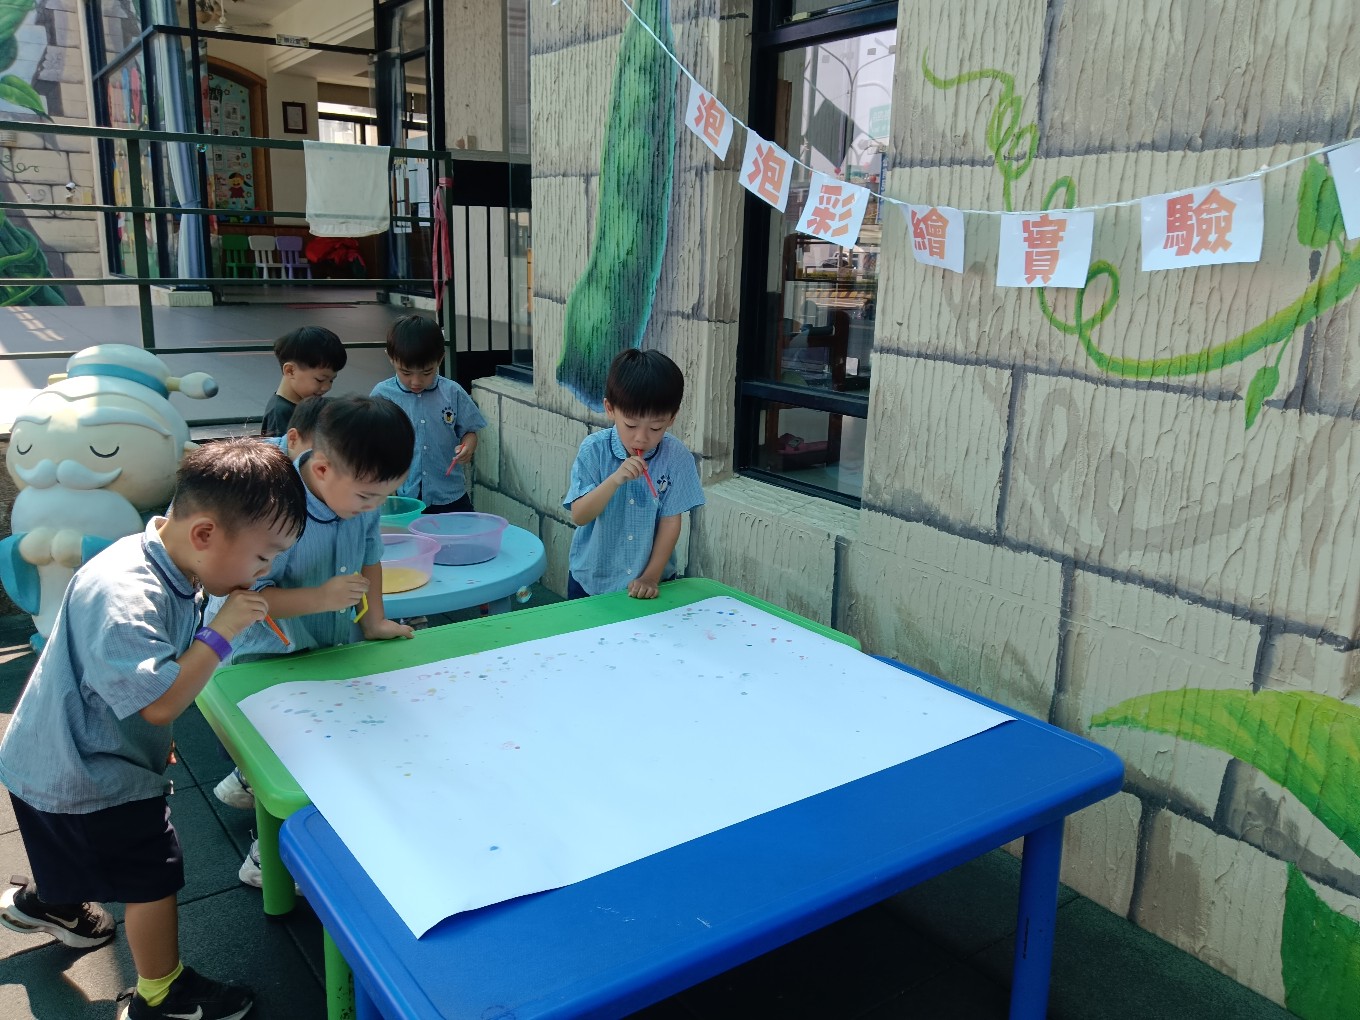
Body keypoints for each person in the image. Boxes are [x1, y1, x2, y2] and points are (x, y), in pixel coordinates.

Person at [0, 439, 307, 1020]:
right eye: (263, 557)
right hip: (88, 773)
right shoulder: (127, 596)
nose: (265, 573)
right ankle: (162, 995)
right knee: (152, 876)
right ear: (205, 533)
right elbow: (161, 703)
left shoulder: (161, 556)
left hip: (51, 753)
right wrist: (223, 631)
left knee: (65, 842)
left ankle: (49, 903)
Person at [210, 396, 416, 885]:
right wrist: (321, 597)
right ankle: (267, 860)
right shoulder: (272, 506)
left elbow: (370, 558)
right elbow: (244, 599)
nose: (374, 507)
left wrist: (374, 621)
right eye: (367, 497)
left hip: (327, 644)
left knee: (333, 736)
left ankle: (246, 779)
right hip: (267, 654)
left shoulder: (359, 496)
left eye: (384, 496)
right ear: (321, 469)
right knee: (308, 755)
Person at [564, 349, 705, 599]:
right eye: (630, 425)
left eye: (656, 427)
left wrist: (651, 576)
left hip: (653, 581)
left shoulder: (676, 457)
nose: (641, 437)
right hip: (592, 580)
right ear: (609, 408)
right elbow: (580, 515)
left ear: (672, 418)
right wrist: (614, 480)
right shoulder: (594, 450)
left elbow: (671, 522)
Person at [370, 314, 486, 514]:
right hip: (403, 495)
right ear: (391, 357)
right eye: (406, 372)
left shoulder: (452, 392)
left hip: (449, 494)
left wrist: (468, 447)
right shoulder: (382, 395)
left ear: (440, 359)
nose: (416, 381)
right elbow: (370, 443)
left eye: (426, 372)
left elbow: (469, 431)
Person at [260, 325, 347, 437]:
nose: (327, 387)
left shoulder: (306, 403)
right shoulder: (279, 414)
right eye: (320, 380)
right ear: (290, 370)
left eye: (331, 380)